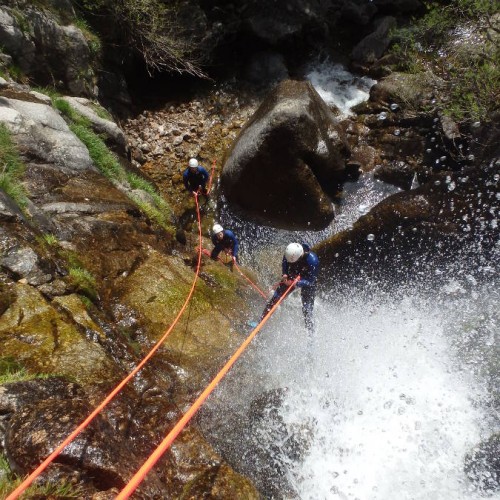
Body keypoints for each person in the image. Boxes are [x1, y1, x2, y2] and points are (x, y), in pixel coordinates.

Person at [260, 242, 319, 333]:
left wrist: (297, 283)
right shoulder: (290, 253)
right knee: (275, 299)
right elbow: (285, 262)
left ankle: (311, 333)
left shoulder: (313, 260)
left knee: (307, 309)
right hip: (293, 274)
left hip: (307, 280)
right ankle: (260, 322)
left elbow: (311, 281)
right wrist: (285, 274)